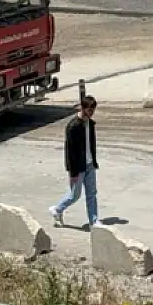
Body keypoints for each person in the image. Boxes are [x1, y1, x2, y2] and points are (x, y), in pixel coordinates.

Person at [50, 96, 100, 228]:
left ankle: (93, 222)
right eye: (89, 110)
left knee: (92, 194)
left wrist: (94, 162)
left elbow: (91, 145)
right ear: (82, 108)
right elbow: (69, 151)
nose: (91, 112)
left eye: (93, 109)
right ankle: (57, 209)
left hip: (90, 165)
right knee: (74, 195)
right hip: (78, 167)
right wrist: (73, 172)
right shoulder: (73, 126)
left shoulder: (90, 123)